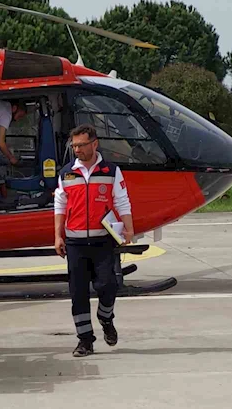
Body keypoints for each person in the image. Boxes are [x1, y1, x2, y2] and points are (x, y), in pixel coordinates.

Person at [53, 124, 134, 357]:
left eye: (81, 145)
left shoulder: (111, 171)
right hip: (76, 244)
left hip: (103, 242)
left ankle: (106, 318)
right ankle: (85, 341)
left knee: (108, 285)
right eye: (74, 145)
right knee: (78, 294)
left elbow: (122, 201)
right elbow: (60, 205)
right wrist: (58, 235)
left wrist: (129, 228)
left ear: (94, 144)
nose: (77, 149)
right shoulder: (66, 173)